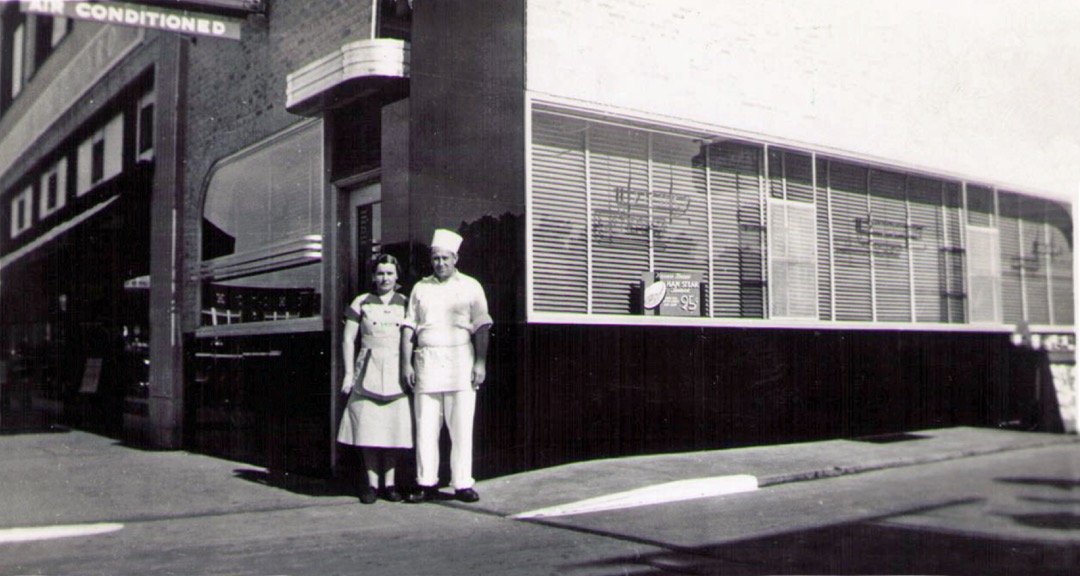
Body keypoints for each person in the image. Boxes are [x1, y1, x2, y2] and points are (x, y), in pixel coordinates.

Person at [401, 229, 492, 503]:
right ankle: (426, 482)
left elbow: (482, 326)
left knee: (461, 426)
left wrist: (480, 362)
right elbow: (409, 328)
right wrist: (406, 364)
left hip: (460, 361)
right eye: (436, 258)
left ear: (456, 258)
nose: (440, 263)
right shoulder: (421, 288)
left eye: (445, 258)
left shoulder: (471, 286)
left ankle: (462, 484)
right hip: (427, 361)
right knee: (426, 425)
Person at [338, 254, 412, 504]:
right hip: (367, 371)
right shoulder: (361, 302)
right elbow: (348, 339)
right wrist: (349, 373)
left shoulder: (406, 302)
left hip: (396, 371)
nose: (385, 278)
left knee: (392, 429)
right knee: (368, 428)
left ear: (397, 276)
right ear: (373, 276)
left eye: (390, 273)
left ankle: (390, 485)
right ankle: (372, 484)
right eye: (380, 273)